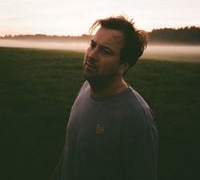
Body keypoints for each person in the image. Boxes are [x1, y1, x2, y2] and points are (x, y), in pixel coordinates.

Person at [51, 15, 158, 180]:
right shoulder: (86, 88)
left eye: (105, 51)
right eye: (92, 45)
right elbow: (70, 151)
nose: (92, 55)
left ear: (123, 66)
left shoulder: (137, 118)